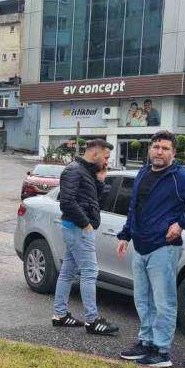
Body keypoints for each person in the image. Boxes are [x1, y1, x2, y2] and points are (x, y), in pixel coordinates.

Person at [116, 131, 185, 367]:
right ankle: (146, 342)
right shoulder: (143, 172)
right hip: (140, 246)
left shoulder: (180, 176)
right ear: (150, 149)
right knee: (143, 300)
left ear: (173, 152)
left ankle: (161, 351)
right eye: (156, 147)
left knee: (163, 302)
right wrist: (125, 234)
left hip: (164, 247)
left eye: (165, 148)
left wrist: (182, 224)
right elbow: (135, 207)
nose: (159, 151)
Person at [52, 139, 121, 336]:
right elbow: (66, 202)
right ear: (95, 154)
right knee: (90, 272)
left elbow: (95, 201)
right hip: (78, 228)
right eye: (106, 157)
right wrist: (86, 224)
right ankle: (92, 321)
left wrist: (100, 180)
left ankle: (60, 314)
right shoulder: (73, 170)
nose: (107, 161)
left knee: (67, 272)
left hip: (77, 227)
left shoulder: (87, 172)